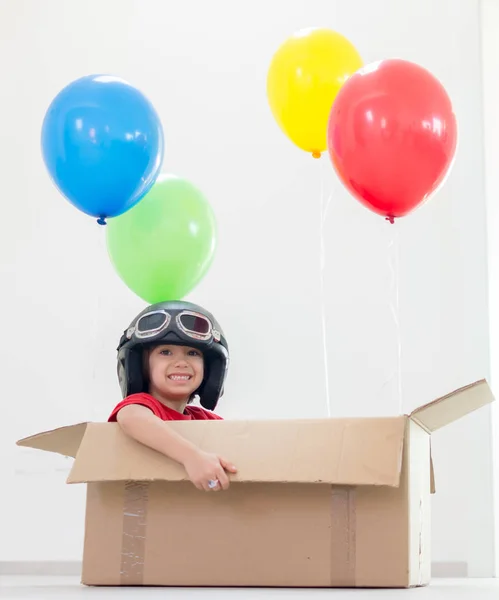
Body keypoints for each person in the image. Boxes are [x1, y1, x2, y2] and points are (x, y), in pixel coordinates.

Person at [108, 300, 237, 492]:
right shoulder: (142, 406)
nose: (181, 362)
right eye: (165, 352)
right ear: (141, 366)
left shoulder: (204, 420)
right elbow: (131, 417)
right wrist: (192, 458)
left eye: (192, 353)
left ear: (210, 370)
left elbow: (239, 440)